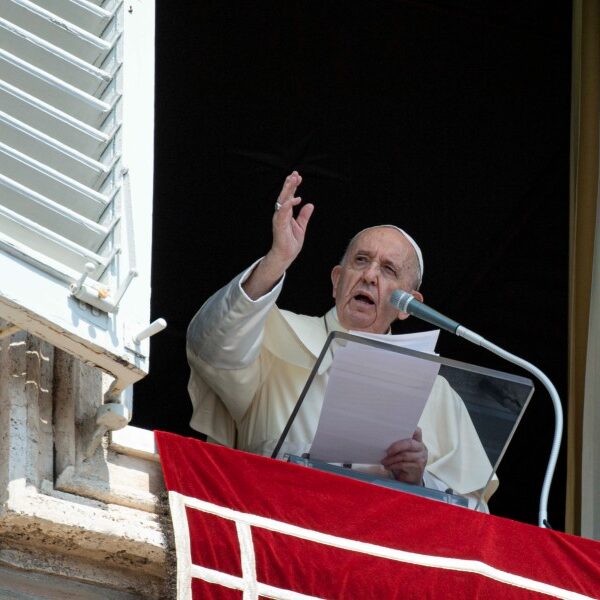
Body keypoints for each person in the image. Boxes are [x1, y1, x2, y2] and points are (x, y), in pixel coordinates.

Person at [187, 171, 496, 509]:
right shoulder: (272, 336)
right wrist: (277, 260)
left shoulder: (439, 397)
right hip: (274, 528)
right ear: (337, 281)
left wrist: (419, 481)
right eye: (361, 261)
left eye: (389, 270)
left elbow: (474, 512)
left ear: (410, 305)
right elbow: (210, 348)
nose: (369, 275)